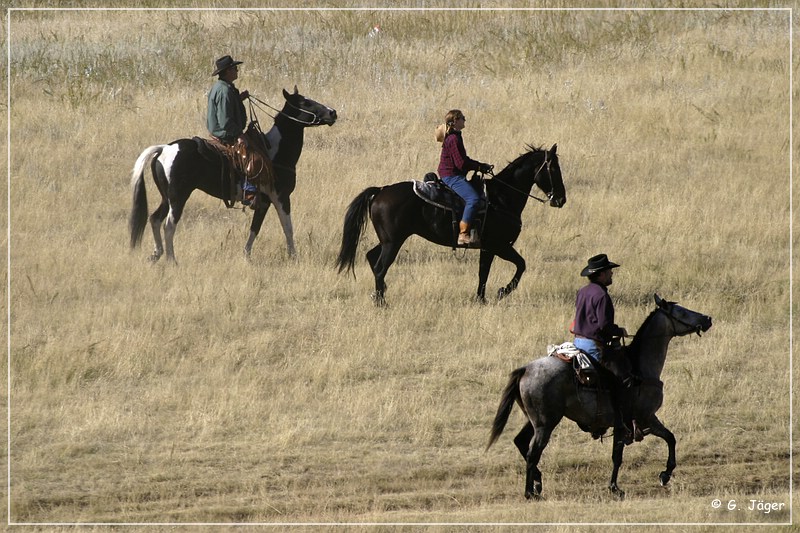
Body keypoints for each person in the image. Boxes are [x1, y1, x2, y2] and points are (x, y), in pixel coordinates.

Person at [571, 253, 637, 444]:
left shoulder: (582, 291)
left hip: (578, 343)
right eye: (609, 271)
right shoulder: (602, 296)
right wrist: (619, 331)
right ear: (600, 275)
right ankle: (622, 424)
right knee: (623, 379)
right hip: (593, 346)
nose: (611, 274)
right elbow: (603, 327)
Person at [437, 109, 492, 247]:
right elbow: (461, 164)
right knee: (473, 198)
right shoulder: (454, 139)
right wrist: (479, 167)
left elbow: (463, 160)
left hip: (452, 174)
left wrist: (479, 165)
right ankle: (463, 234)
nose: (464, 120)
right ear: (455, 121)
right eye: (462, 118)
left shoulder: (455, 136)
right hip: (451, 176)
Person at [207, 55, 257, 204]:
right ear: (228, 71)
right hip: (225, 133)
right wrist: (240, 134)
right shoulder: (225, 91)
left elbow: (226, 107)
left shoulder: (223, 88)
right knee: (247, 152)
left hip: (222, 130)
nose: (237, 70)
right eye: (235, 68)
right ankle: (247, 188)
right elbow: (225, 121)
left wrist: (239, 98)